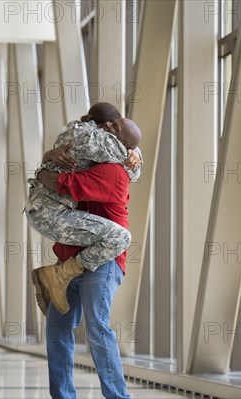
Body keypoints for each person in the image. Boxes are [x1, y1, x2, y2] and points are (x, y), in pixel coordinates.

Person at [35, 134, 135, 399]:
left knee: (97, 328)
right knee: (57, 329)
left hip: (101, 264)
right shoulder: (86, 162)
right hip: (66, 263)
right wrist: (49, 156)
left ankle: (118, 397)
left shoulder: (112, 171)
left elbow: (58, 183)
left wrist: (47, 164)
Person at [26, 103, 142, 317]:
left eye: (114, 127)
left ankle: (59, 275)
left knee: (62, 323)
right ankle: (60, 274)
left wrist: (45, 162)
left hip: (47, 210)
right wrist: (135, 153)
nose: (110, 127)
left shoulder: (77, 131)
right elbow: (132, 169)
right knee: (120, 237)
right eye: (111, 125)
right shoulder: (91, 137)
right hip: (49, 213)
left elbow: (126, 159)